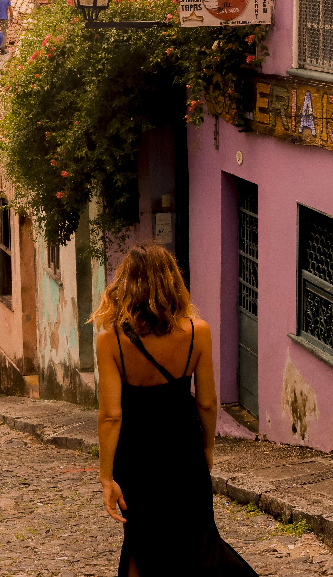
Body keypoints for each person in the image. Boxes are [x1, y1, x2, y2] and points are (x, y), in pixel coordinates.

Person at [92, 242, 259, 577]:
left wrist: (106, 477)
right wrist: (207, 448)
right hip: (184, 451)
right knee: (199, 542)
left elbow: (111, 416)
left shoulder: (110, 341)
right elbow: (207, 402)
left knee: (140, 541)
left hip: (136, 457)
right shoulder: (198, 331)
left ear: (126, 285)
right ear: (172, 282)